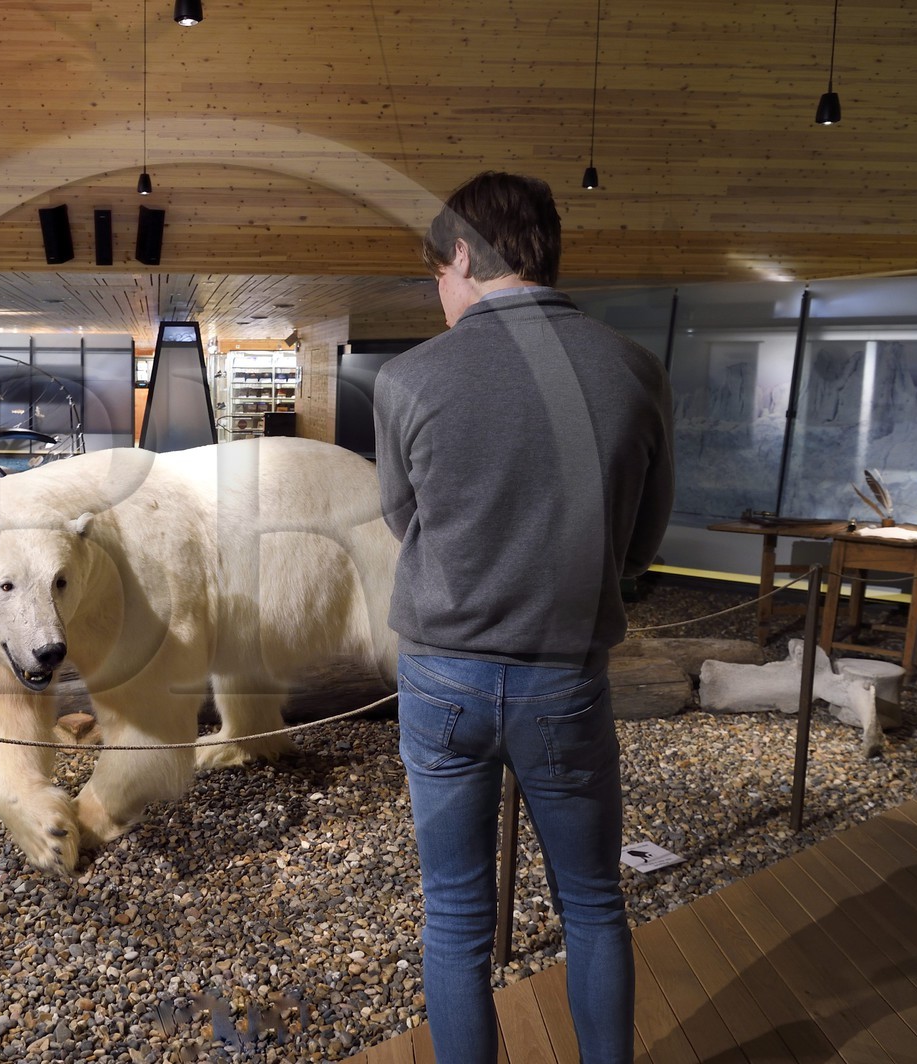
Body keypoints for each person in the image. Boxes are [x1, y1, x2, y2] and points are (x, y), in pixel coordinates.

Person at [373, 171, 674, 1064]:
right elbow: (641, 543)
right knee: (590, 903)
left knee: (456, 914)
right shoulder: (634, 370)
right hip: (566, 679)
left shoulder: (407, 379)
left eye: (439, 275)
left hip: (442, 679)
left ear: (463, 253)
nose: (441, 296)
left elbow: (404, 519)